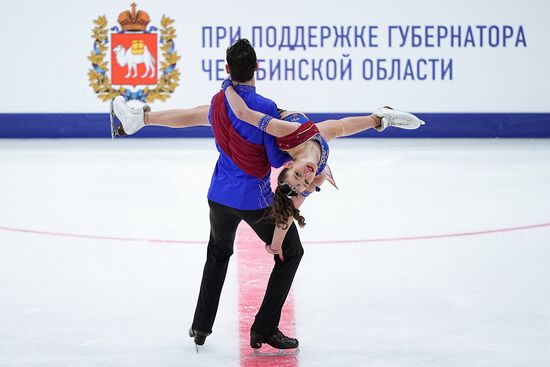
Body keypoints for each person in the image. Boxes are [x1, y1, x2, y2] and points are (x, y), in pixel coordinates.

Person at [114, 39, 303, 351]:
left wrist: (147, 118)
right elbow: (273, 160)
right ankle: (264, 328)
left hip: (218, 197)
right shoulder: (266, 108)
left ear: (227, 69)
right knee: (291, 251)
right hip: (253, 200)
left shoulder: (219, 103)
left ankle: (201, 327)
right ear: (257, 68)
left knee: (217, 254)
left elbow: (191, 116)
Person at [220, 79, 425, 232]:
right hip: (313, 147)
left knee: (337, 128)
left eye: (297, 176)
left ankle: (380, 117)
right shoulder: (315, 174)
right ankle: (379, 118)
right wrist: (275, 245)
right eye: (303, 181)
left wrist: (227, 86)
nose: (305, 176)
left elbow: (244, 113)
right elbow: (291, 210)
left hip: (289, 131)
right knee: (337, 130)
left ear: (289, 165)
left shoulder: (288, 132)